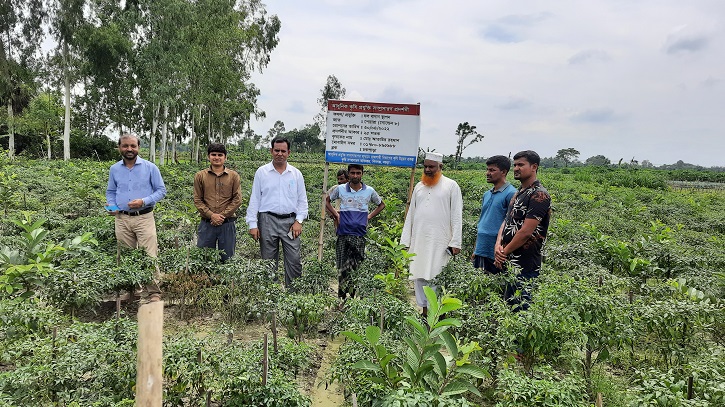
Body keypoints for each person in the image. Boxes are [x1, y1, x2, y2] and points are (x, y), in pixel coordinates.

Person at [400, 152, 463, 317]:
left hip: (440, 242)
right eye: (425, 166)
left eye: (431, 167)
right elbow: (411, 214)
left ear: (440, 167)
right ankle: (424, 313)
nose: (427, 170)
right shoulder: (419, 187)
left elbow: (457, 215)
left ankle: (437, 316)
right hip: (419, 240)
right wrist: (405, 240)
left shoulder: (451, 186)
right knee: (419, 275)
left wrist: (455, 242)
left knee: (436, 276)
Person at [106, 133, 167, 299]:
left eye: (133, 146)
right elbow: (111, 191)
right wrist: (112, 206)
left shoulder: (150, 168)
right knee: (126, 255)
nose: (129, 149)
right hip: (122, 219)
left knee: (149, 254)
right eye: (125, 146)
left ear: (138, 148)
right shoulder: (114, 169)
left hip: (144, 217)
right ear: (119, 148)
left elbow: (161, 191)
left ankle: (153, 291)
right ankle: (133, 290)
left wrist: (144, 201)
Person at [246, 137, 308, 288]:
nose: (280, 154)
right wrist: (252, 224)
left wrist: (299, 221)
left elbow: (302, 201)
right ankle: (270, 297)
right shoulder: (262, 172)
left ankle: (293, 297)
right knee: (268, 262)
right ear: (271, 151)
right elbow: (255, 198)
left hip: (290, 222)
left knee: (294, 261)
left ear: (289, 153)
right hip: (267, 220)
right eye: (276, 150)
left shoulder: (296, 174)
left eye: (283, 151)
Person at [494, 150, 551, 311]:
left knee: (521, 311)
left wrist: (503, 252)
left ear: (534, 167)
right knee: (508, 306)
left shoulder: (539, 195)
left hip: (525, 265)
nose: (516, 168)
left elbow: (526, 232)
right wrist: (498, 244)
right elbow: (507, 220)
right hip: (509, 262)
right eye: (515, 165)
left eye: (521, 164)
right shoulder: (518, 193)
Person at [326, 164, 385, 300]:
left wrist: (368, 216)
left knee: (356, 267)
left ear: (362, 174)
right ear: (349, 174)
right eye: (352, 173)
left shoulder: (369, 191)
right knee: (342, 267)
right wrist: (336, 215)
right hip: (343, 233)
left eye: (358, 173)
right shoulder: (340, 189)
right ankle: (341, 297)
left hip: (359, 234)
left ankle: (352, 297)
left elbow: (381, 204)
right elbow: (327, 201)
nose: (355, 176)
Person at [193, 143, 242, 262]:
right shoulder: (200, 176)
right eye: (213, 154)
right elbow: (197, 199)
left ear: (225, 157)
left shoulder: (233, 176)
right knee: (204, 259)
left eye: (220, 155)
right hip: (206, 224)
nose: (216, 157)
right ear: (208, 156)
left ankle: (225, 281)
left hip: (227, 224)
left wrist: (222, 216)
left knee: (227, 259)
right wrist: (212, 215)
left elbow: (237, 199)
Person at [472, 155, 517, 274]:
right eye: (487, 170)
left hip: (496, 250)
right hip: (482, 247)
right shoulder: (487, 194)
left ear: (503, 172)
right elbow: (483, 221)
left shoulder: (511, 194)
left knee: (494, 287)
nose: (488, 173)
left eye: (492, 170)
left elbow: (510, 224)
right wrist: (476, 248)